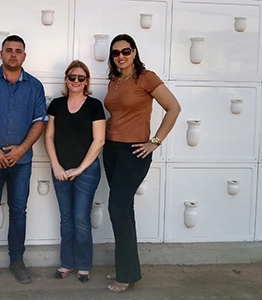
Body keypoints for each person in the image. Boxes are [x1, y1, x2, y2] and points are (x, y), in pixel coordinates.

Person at [103, 34, 181, 293]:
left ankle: (126, 275)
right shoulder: (114, 80)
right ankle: (127, 266)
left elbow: (173, 108)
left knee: (117, 209)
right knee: (126, 211)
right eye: (116, 53)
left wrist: (155, 141)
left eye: (125, 51)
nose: (121, 56)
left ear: (134, 52)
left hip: (134, 153)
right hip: (111, 150)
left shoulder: (146, 78)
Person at [0, 35, 48, 285]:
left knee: (18, 211)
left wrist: (21, 150)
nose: (13, 54)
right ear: (1, 53)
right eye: (9, 50)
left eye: (18, 51)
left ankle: (17, 261)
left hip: (21, 163)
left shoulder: (34, 86)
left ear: (25, 55)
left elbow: (40, 122)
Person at [44, 60, 105, 283]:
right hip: (60, 171)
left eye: (81, 78)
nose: (76, 81)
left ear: (86, 81)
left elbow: (99, 141)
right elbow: (48, 136)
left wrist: (80, 168)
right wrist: (56, 166)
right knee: (66, 217)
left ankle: (84, 265)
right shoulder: (57, 105)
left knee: (80, 217)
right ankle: (66, 263)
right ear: (66, 79)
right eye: (72, 77)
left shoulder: (94, 105)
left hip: (86, 171)